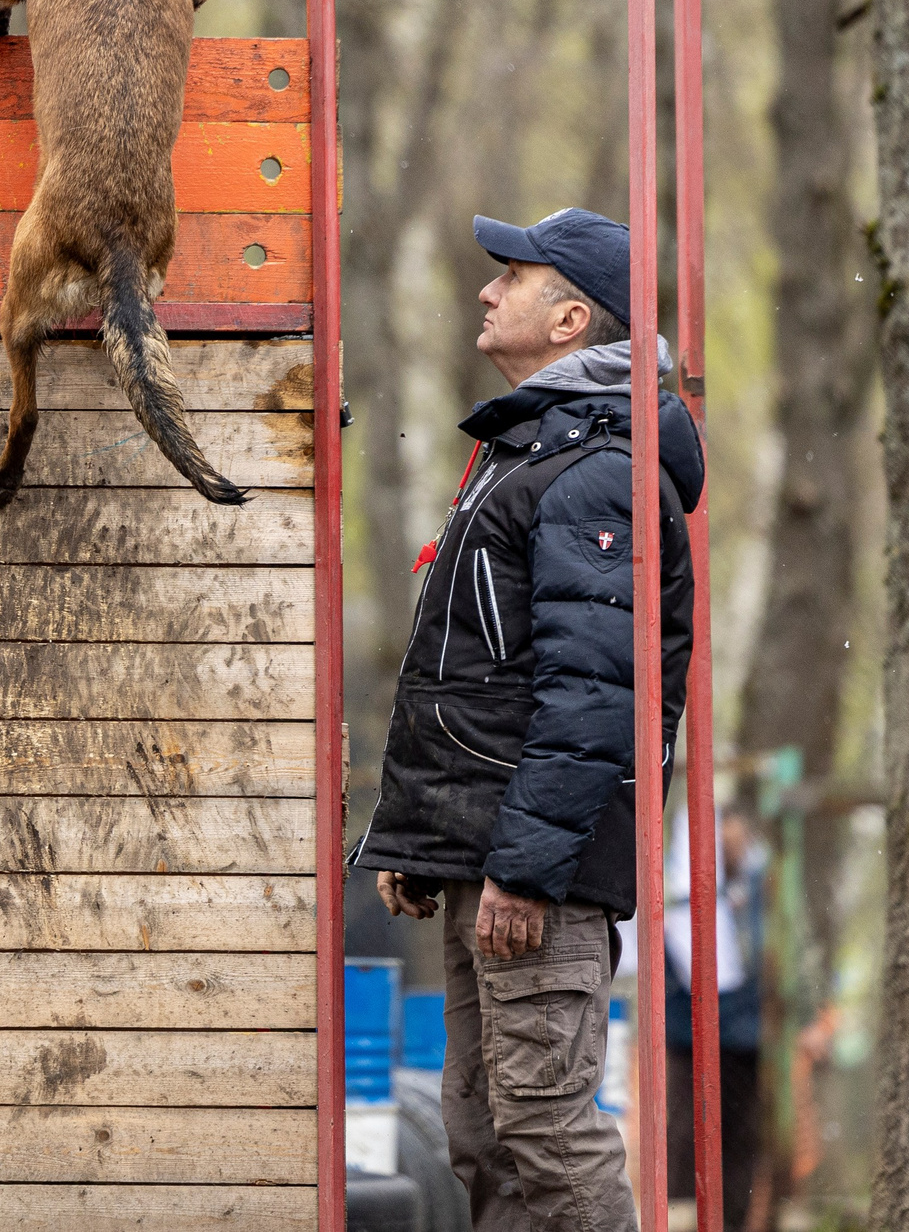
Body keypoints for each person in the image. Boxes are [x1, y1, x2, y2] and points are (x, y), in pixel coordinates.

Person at [351, 206, 704, 1232]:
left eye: (511, 275)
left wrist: (522, 870)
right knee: (480, 1134)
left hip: (533, 876)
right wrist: (427, 846)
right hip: (491, 856)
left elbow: (593, 697)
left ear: (569, 320)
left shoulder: (593, 472)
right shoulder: (532, 457)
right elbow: (479, 676)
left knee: (545, 1133)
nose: (485, 289)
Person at [665, 800, 767, 1228]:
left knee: (740, 1136)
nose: (730, 840)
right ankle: (686, 1216)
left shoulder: (761, 883)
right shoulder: (678, 884)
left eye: (735, 829)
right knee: (687, 1133)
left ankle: (734, 1221)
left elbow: (777, 951)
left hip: (745, 1037)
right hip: (688, 1035)